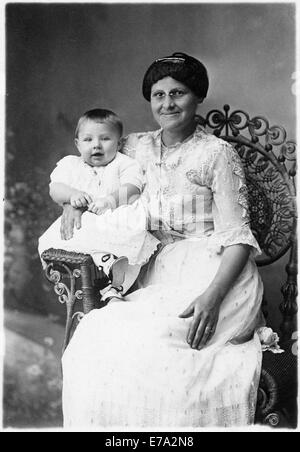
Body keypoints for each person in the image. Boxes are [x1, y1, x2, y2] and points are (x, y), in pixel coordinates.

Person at [61, 52, 264, 428]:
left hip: (215, 275)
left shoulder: (217, 154)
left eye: (179, 93)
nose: (167, 104)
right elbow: (89, 169)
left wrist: (212, 297)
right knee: (95, 339)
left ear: (198, 96)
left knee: (162, 355)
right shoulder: (135, 146)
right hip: (156, 274)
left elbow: (238, 238)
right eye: (158, 94)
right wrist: (73, 201)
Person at [38, 108, 160, 301]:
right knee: (76, 232)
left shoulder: (124, 163)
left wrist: (109, 201)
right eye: (88, 140)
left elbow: (133, 187)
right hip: (85, 223)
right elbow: (55, 188)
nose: (96, 146)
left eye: (105, 139)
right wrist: (72, 195)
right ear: (77, 144)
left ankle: (115, 286)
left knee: (132, 242)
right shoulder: (71, 165)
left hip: (115, 219)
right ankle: (109, 264)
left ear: (119, 143)